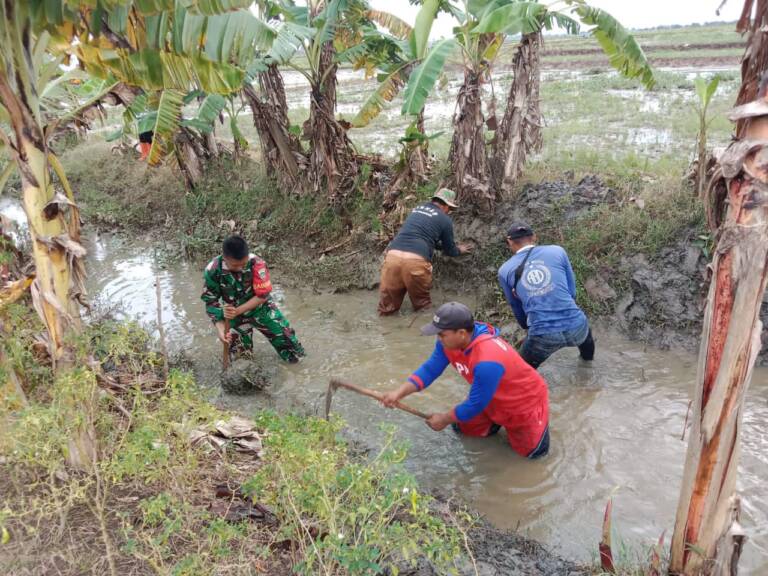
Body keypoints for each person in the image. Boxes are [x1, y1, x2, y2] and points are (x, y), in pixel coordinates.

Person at [381, 302, 550, 459]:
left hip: (523, 404)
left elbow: (475, 404)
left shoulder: (487, 360)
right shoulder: (447, 343)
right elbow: (430, 369)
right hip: (489, 398)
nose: (438, 338)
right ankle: (492, 425)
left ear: (461, 333)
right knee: (464, 429)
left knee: (531, 457)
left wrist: (444, 418)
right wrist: (399, 393)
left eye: (442, 334)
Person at [498, 222, 594, 369]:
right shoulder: (558, 251)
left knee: (520, 372)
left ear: (509, 242)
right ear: (534, 237)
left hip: (542, 335)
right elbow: (572, 292)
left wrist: (527, 327)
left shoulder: (505, 270)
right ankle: (587, 367)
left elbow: (516, 307)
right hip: (577, 326)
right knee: (587, 350)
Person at [201, 235, 305, 363]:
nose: (240, 268)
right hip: (234, 318)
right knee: (241, 360)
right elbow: (211, 302)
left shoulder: (257, 263)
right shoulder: (213, 270)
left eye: (243, 264)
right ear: (225, 258)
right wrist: (221, 329)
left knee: (290, 345)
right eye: (235, 265)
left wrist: (238, 310)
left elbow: (263, 295)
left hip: (261, 309)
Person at [378, 188, 471, 315]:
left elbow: (425, 237)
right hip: (415, 261)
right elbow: (450, 250)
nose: (449, 211)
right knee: (423, 307)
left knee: (386, 309)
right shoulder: (445, 219)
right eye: (449, 208)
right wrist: (459, 250)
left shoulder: (417, 210)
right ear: (445, 206)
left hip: (392, 257)